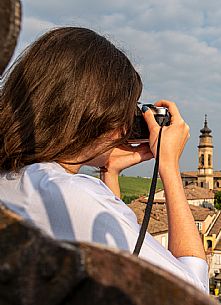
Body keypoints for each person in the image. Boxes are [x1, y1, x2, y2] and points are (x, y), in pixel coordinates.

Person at [0, 27, 208, 292]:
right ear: (99, 116)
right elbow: (192, 290)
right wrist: (169, 167)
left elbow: (107, 245)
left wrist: (109, 172)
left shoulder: (16, 179)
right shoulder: (69, 194)